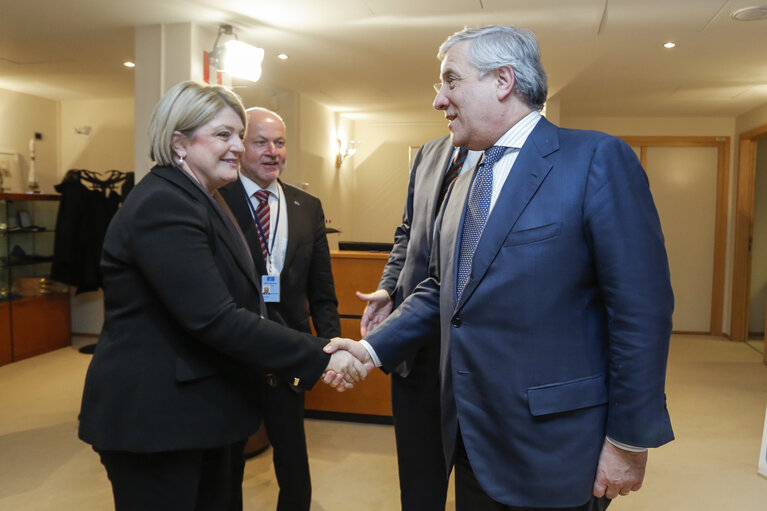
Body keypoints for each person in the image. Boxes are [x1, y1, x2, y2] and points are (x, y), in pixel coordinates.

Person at [327, 25, 674, 510]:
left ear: (503, 81)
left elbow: (641, 312)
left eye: (450, 80)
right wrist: (369, 350)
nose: (438, 100)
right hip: (471, 436)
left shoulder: (595, 159)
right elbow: (446, 291)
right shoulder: (466, 175)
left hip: (555, 445)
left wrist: (629, 441)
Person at [77, 80, 366, 511]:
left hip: (203, 413)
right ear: (179, 143)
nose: (237, 146)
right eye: (223, 134)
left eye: (237, 134)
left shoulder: (204, 199)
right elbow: (216, 318)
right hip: (158, 421)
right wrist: (326, 352)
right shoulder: (164, 204)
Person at [220, 107, 341, 511]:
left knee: (292, 457)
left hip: (289, 354)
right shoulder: (216, 198)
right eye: (261, 142)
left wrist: (329, 348)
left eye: (280, 142)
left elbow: (322, 290)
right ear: (240, 147)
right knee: (225, 463)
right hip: (231, 355)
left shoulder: (307, 206)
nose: (273, 152)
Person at [355, 135, 478, 511]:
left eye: (452, 82)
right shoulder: (430, 153)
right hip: (417, 349)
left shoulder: (505, 157)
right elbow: (408, 232)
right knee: (420, 486)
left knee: (481, 485)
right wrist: (389, 288)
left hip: (475, 352)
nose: (440, 100)